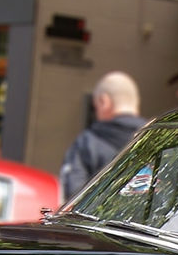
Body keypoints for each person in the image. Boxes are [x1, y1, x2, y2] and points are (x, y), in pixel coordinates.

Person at [58, 71, 146, 200]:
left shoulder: (87, 143)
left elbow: (72, 195)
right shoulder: (161, 139)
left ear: (104, 101)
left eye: (96, 107)